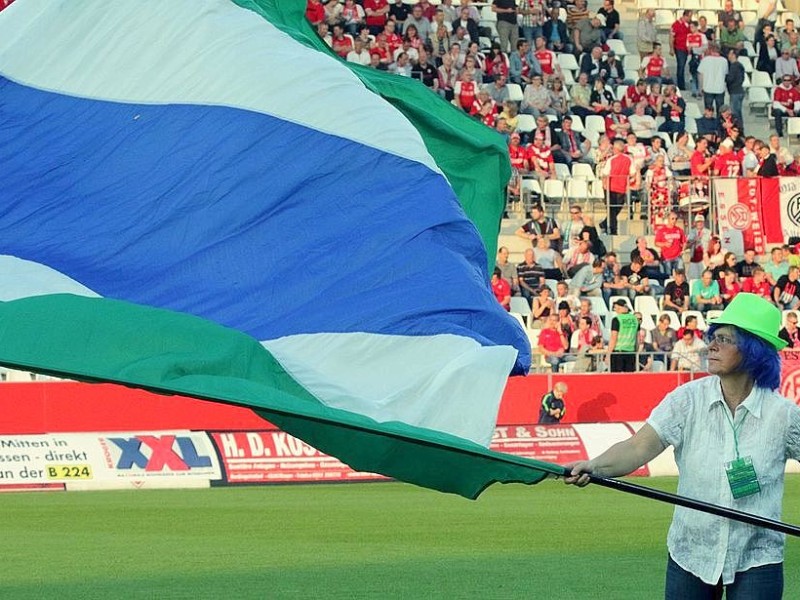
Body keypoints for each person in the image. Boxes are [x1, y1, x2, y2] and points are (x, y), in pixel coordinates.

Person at [566, 293, 799, 597]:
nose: (711, 345)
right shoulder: (686, 401)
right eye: (713, 337)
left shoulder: (784, 415)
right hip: (691, 553)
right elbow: (638, 447)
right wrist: (595, 466)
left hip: (758, 557)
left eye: (725, 339)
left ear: (754, 350)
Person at [600, 139, 635, 235]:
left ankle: (607, 226)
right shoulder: (629, 159)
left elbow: (605, 173)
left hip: (610, 188)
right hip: (622, 188)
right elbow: (632, 173)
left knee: (612, 210)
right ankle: (612, 229)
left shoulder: (611, 159)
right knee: (614, 210)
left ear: (616, 149)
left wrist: (604, 185)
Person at [607, 298, 639, 372]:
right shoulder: (635, 319)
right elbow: (637, 338)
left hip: (618, 352)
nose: (616, 310)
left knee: (616, 379)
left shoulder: (617, 319)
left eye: (617, 308)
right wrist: (636, 351)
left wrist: (608, 354)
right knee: (629, 379)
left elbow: (613, 338)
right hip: (631, 351)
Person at [697, 43, 728, 114]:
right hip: (720, 88)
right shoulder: (724, 61)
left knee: (708, 110)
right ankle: (719, 124)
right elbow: (725, 74)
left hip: (708, 87)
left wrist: (700, 88)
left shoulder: (705, 60)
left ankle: (708, 124)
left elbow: (700, 74)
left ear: (711, 50)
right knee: (720, 110)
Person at [670, 11, 692, 91]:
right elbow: (672, 37)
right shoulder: (676, 24)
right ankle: (680, 85)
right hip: (679, 48)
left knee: (683, 66)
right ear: (685, 16)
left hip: (687, 48)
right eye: (689, 16)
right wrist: (671, 48)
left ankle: (681, 84)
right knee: (681, 66)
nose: (690, 18)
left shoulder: (689, 25)